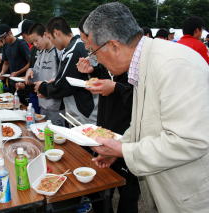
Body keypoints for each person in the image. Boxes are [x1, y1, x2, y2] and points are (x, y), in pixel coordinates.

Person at [84, 2, 209, 212]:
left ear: (114, 45)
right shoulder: (144, 60)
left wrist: (125, 149)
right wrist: (120, 148)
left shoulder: (174, 64)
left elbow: (190, 141)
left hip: (187, 194)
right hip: (165, 185)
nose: (95, 60)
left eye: (93, 52)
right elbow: (143, 121)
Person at [77, 14, 140, 213]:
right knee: (104, 183)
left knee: (129, 191)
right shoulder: (106, 59)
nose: (88, 49)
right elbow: (106, 82)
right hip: (107, 127)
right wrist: (91, 73)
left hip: (128, 131)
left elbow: (140, 99)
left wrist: (116, 87)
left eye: (88, 44)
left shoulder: (133, 62)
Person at [34, 17, 99, 124]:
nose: (51, 42)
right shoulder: (74, 46)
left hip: (84, 111)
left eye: (50, 38)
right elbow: (67, 77)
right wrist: (55, 81)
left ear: (57, 33)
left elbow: (64, 85)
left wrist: (42, 87)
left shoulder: (74, 50)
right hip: (82, 109)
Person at [25, 23, 64, 126]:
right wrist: (30, 72)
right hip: (42, 104)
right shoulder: (41, 53)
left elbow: (62, 79)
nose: (35, 45)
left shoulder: (58, 52)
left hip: (56, 107)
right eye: (33, 42)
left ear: (45, 35)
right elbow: (36, 72)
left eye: (36, 40)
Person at [0, 24, 30, 92]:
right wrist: (2, 72)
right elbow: (6, 63)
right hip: (12, 81)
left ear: (10, 33)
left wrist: (18, 72)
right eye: (1, 39)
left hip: (22, 81)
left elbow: (30, 62)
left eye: (4, 38)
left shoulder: (21, 44)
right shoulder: (5, 46)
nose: (3, 40)